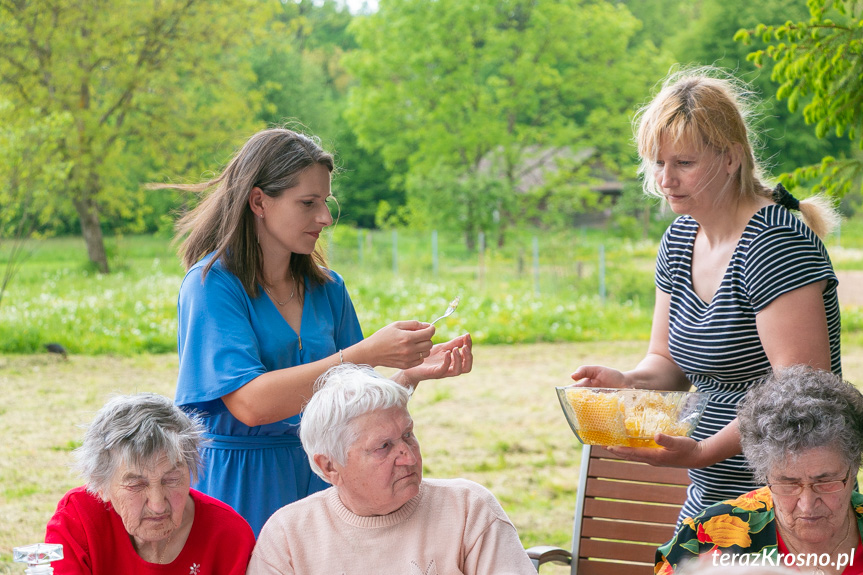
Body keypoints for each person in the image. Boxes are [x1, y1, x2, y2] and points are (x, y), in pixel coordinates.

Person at [164, 127, 473, 536]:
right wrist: (365, 353)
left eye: (325, 202)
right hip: (242, 488)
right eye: (308, 203)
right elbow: (251, 405)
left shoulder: (329, 289)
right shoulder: (211, 286)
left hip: (326, 480)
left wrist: (409, 375)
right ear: (259, 201)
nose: (324, 218)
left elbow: (355, 414)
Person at [571, 66, 841, 521]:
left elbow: (797, 394)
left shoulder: (775, 243)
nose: (665, 179)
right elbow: (667, 366)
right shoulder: (679, 240)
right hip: (709, 497)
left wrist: (700, 451)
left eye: (684, 163)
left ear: (732, 157)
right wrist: (626, 382)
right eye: (658, 163)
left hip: (791, 501)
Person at [246, 363, 536, 575]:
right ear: (329, 466)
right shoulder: (289, 535)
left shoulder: (468, 509)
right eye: (383, 447)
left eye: (408, 435)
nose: (408, 457)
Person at [655, 365, 863, 574]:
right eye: (788, 483)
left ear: (853, 468)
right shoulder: (706, 537)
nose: (807, 505)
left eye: (825, 482)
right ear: (765, 475)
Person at [45, 393, 255, 574]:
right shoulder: (78, 520)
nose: (158, 505)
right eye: (136, 484)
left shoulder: (229, 536)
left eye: (172, 480)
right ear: (101, 485)